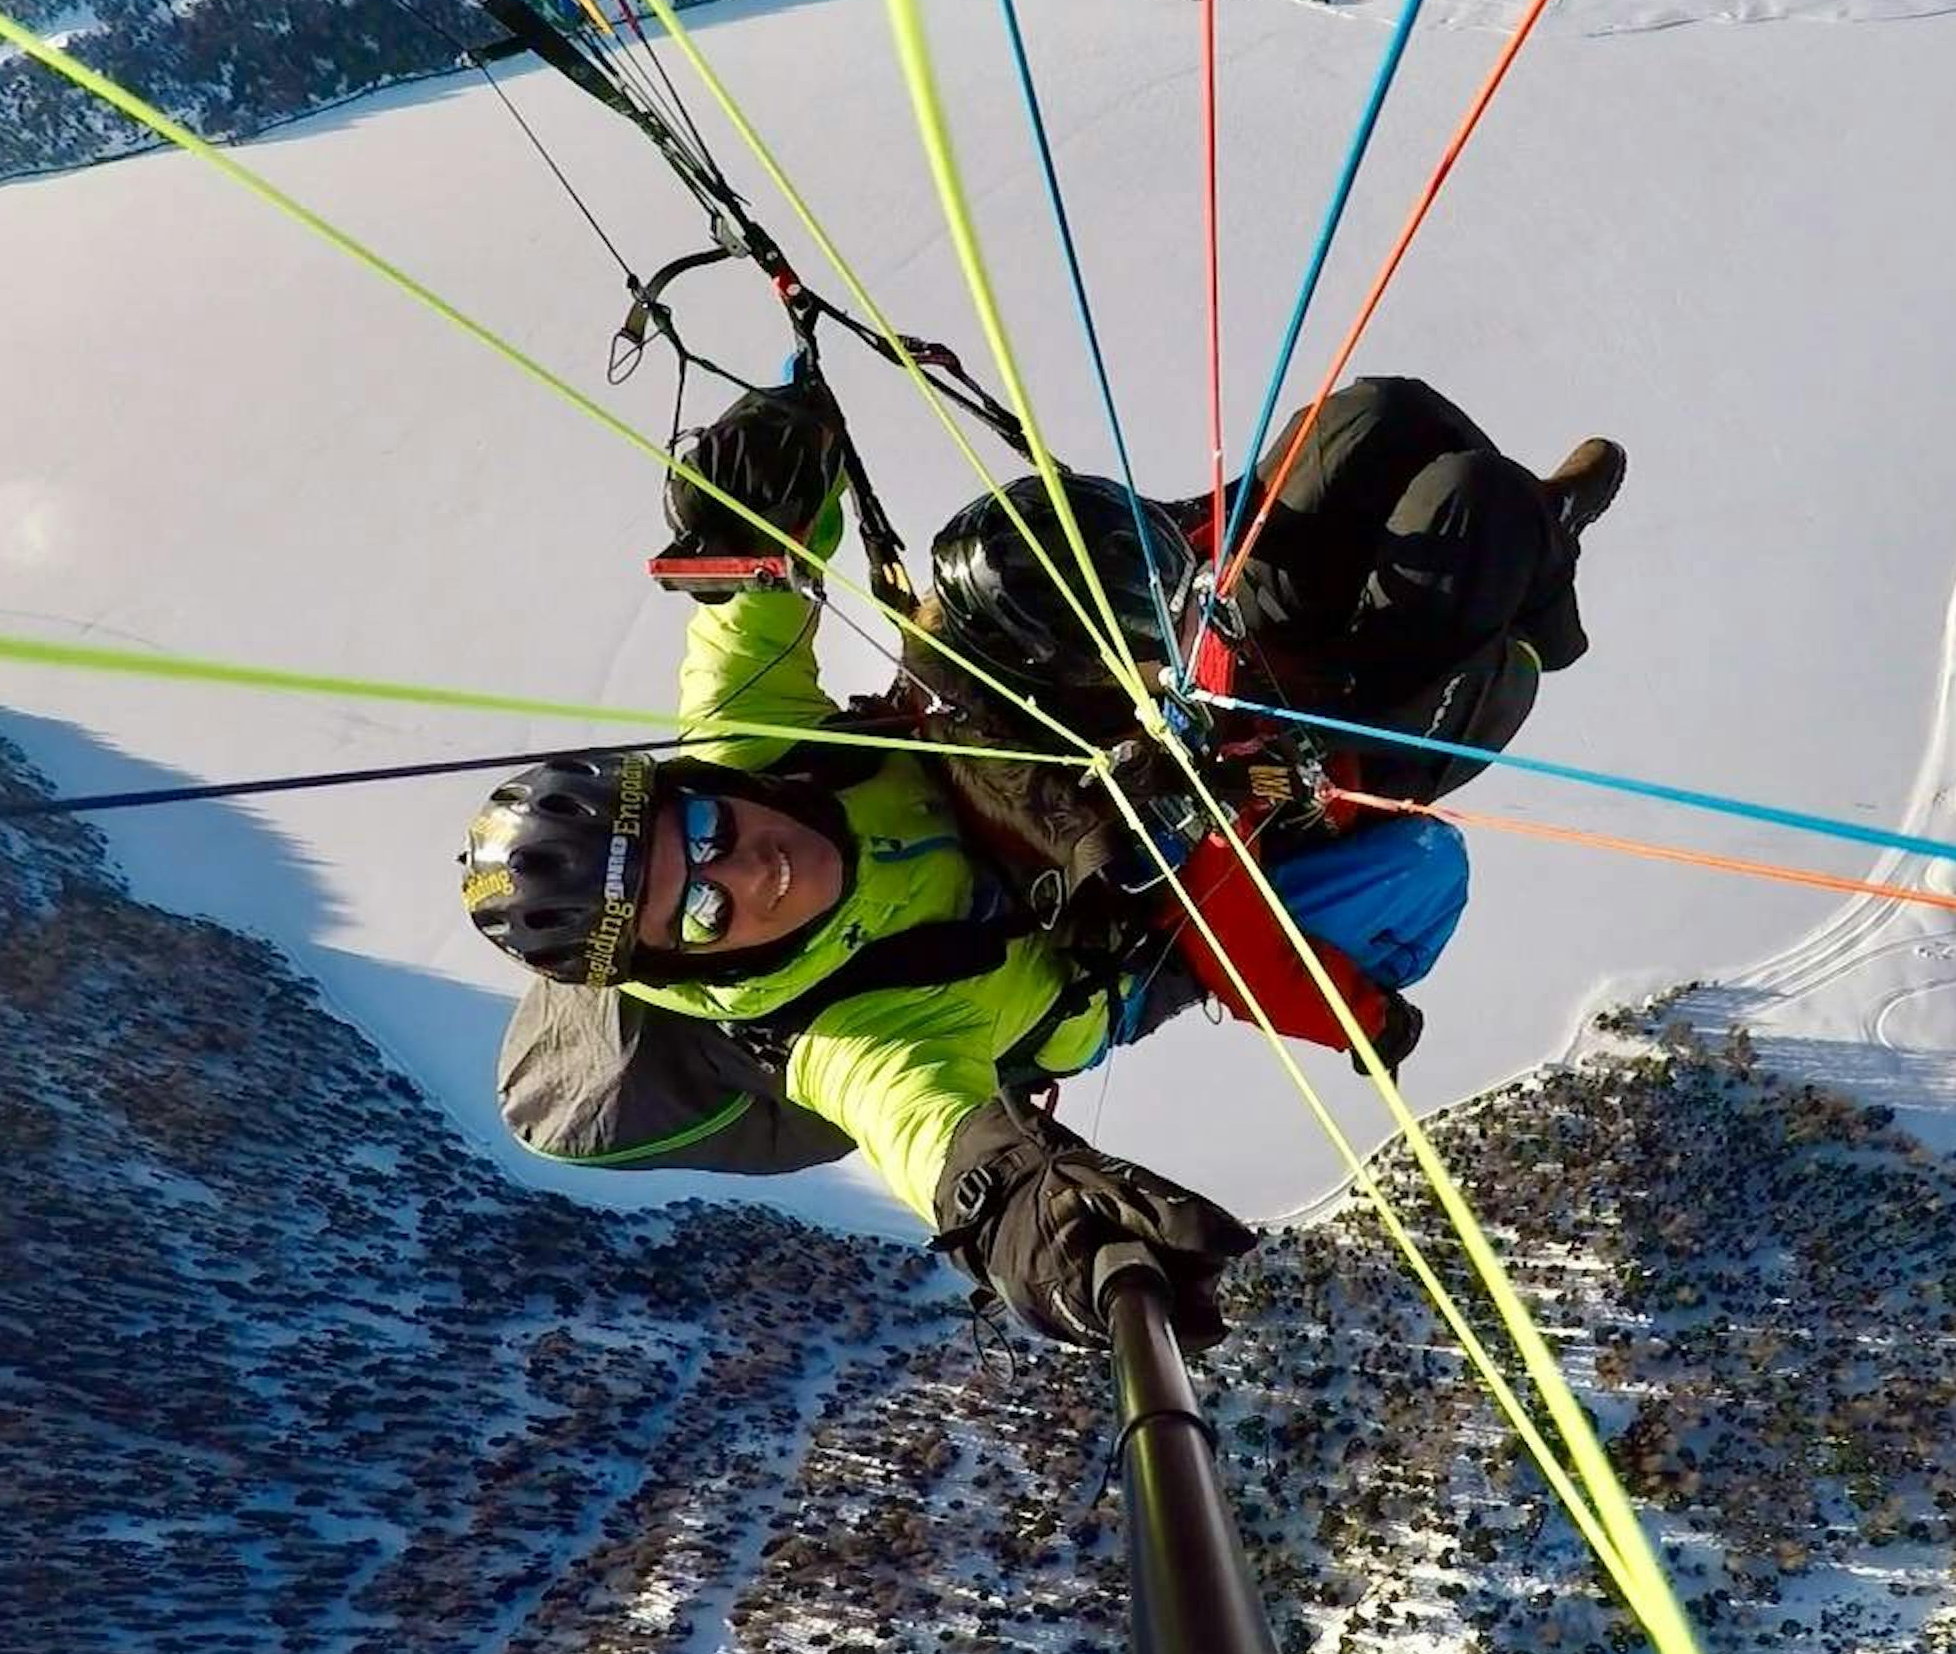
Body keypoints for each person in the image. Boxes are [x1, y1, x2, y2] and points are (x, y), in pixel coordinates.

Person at [478, 379, 1465, 1350]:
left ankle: (1215, 566)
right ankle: (1435, 668)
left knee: (1376, 423)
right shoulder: (845, 1038)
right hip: (1109, 940)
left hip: (1016, 767)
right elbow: (937, 1144)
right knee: (1421, 857)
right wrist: (1040, 1227)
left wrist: (765, 475)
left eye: (699, 835)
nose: (740, 872)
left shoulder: (748, 745)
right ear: (684, 967)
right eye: (695, 916)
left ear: (685, 783)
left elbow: (746, 598)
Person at [1181, 375, 1623, 803]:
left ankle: (1532, 538)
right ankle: (1541, 557)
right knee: (1479, 497)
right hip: (1357, 745)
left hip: (1230, 645)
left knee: (1382, 415)